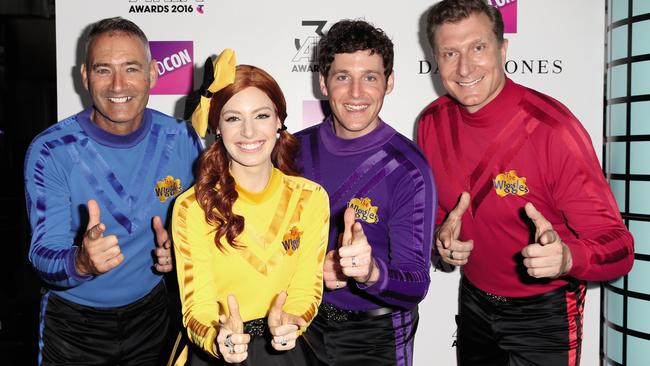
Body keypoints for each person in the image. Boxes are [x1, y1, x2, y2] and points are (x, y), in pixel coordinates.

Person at [418, 1, 635, 365]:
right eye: (450, 53)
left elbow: (621, 248)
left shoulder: (554, 130)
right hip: (474, 302)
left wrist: (569, 256)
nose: (465, 67)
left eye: (478, 47)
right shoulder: (430, 123)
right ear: (435, 60)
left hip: (544, 313)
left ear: (503, 50)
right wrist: (442, 240)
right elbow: (442, 217)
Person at [23, 17, 201, 365]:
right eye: (104, 70)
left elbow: (205, 228)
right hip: (74, 326)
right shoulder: (51, 149)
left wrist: (180, 252)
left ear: (152, 73)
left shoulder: (181, 138)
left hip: (152, 318)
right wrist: (82, 261)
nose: (118, 84)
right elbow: (42, 255)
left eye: (131, 68)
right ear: (85, 75)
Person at [171, 49, 329, 366]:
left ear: (279, 121)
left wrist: (293, 319)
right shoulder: (192, 207)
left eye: (261, 115)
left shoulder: (310, 198)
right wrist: (219, 338)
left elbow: (305, 288)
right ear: (217, 127)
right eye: (233, 118)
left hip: (286, 352)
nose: (248, 131)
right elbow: (197, 306)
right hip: (216, 353)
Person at [295, 20, 436, 366]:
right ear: (323, 82)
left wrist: (371, 272)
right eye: (343, 76)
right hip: (303, 325)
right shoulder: (292, 151)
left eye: (370, 77)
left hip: (377, 337)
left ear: (389, 83)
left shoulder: (408, 167)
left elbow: (415, 283)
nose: (356, 93)